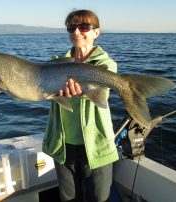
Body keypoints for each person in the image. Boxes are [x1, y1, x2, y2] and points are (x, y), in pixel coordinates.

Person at [42, 9, 119, 202]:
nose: (77, 32)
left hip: (96, 145)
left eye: (84, 27)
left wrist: (83, 92)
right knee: (68, 198)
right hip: (63, 144)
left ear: (96, 32)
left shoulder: (106, 64)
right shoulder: (55, 64)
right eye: (71, 27)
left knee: (98, 198)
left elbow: (102, 95)